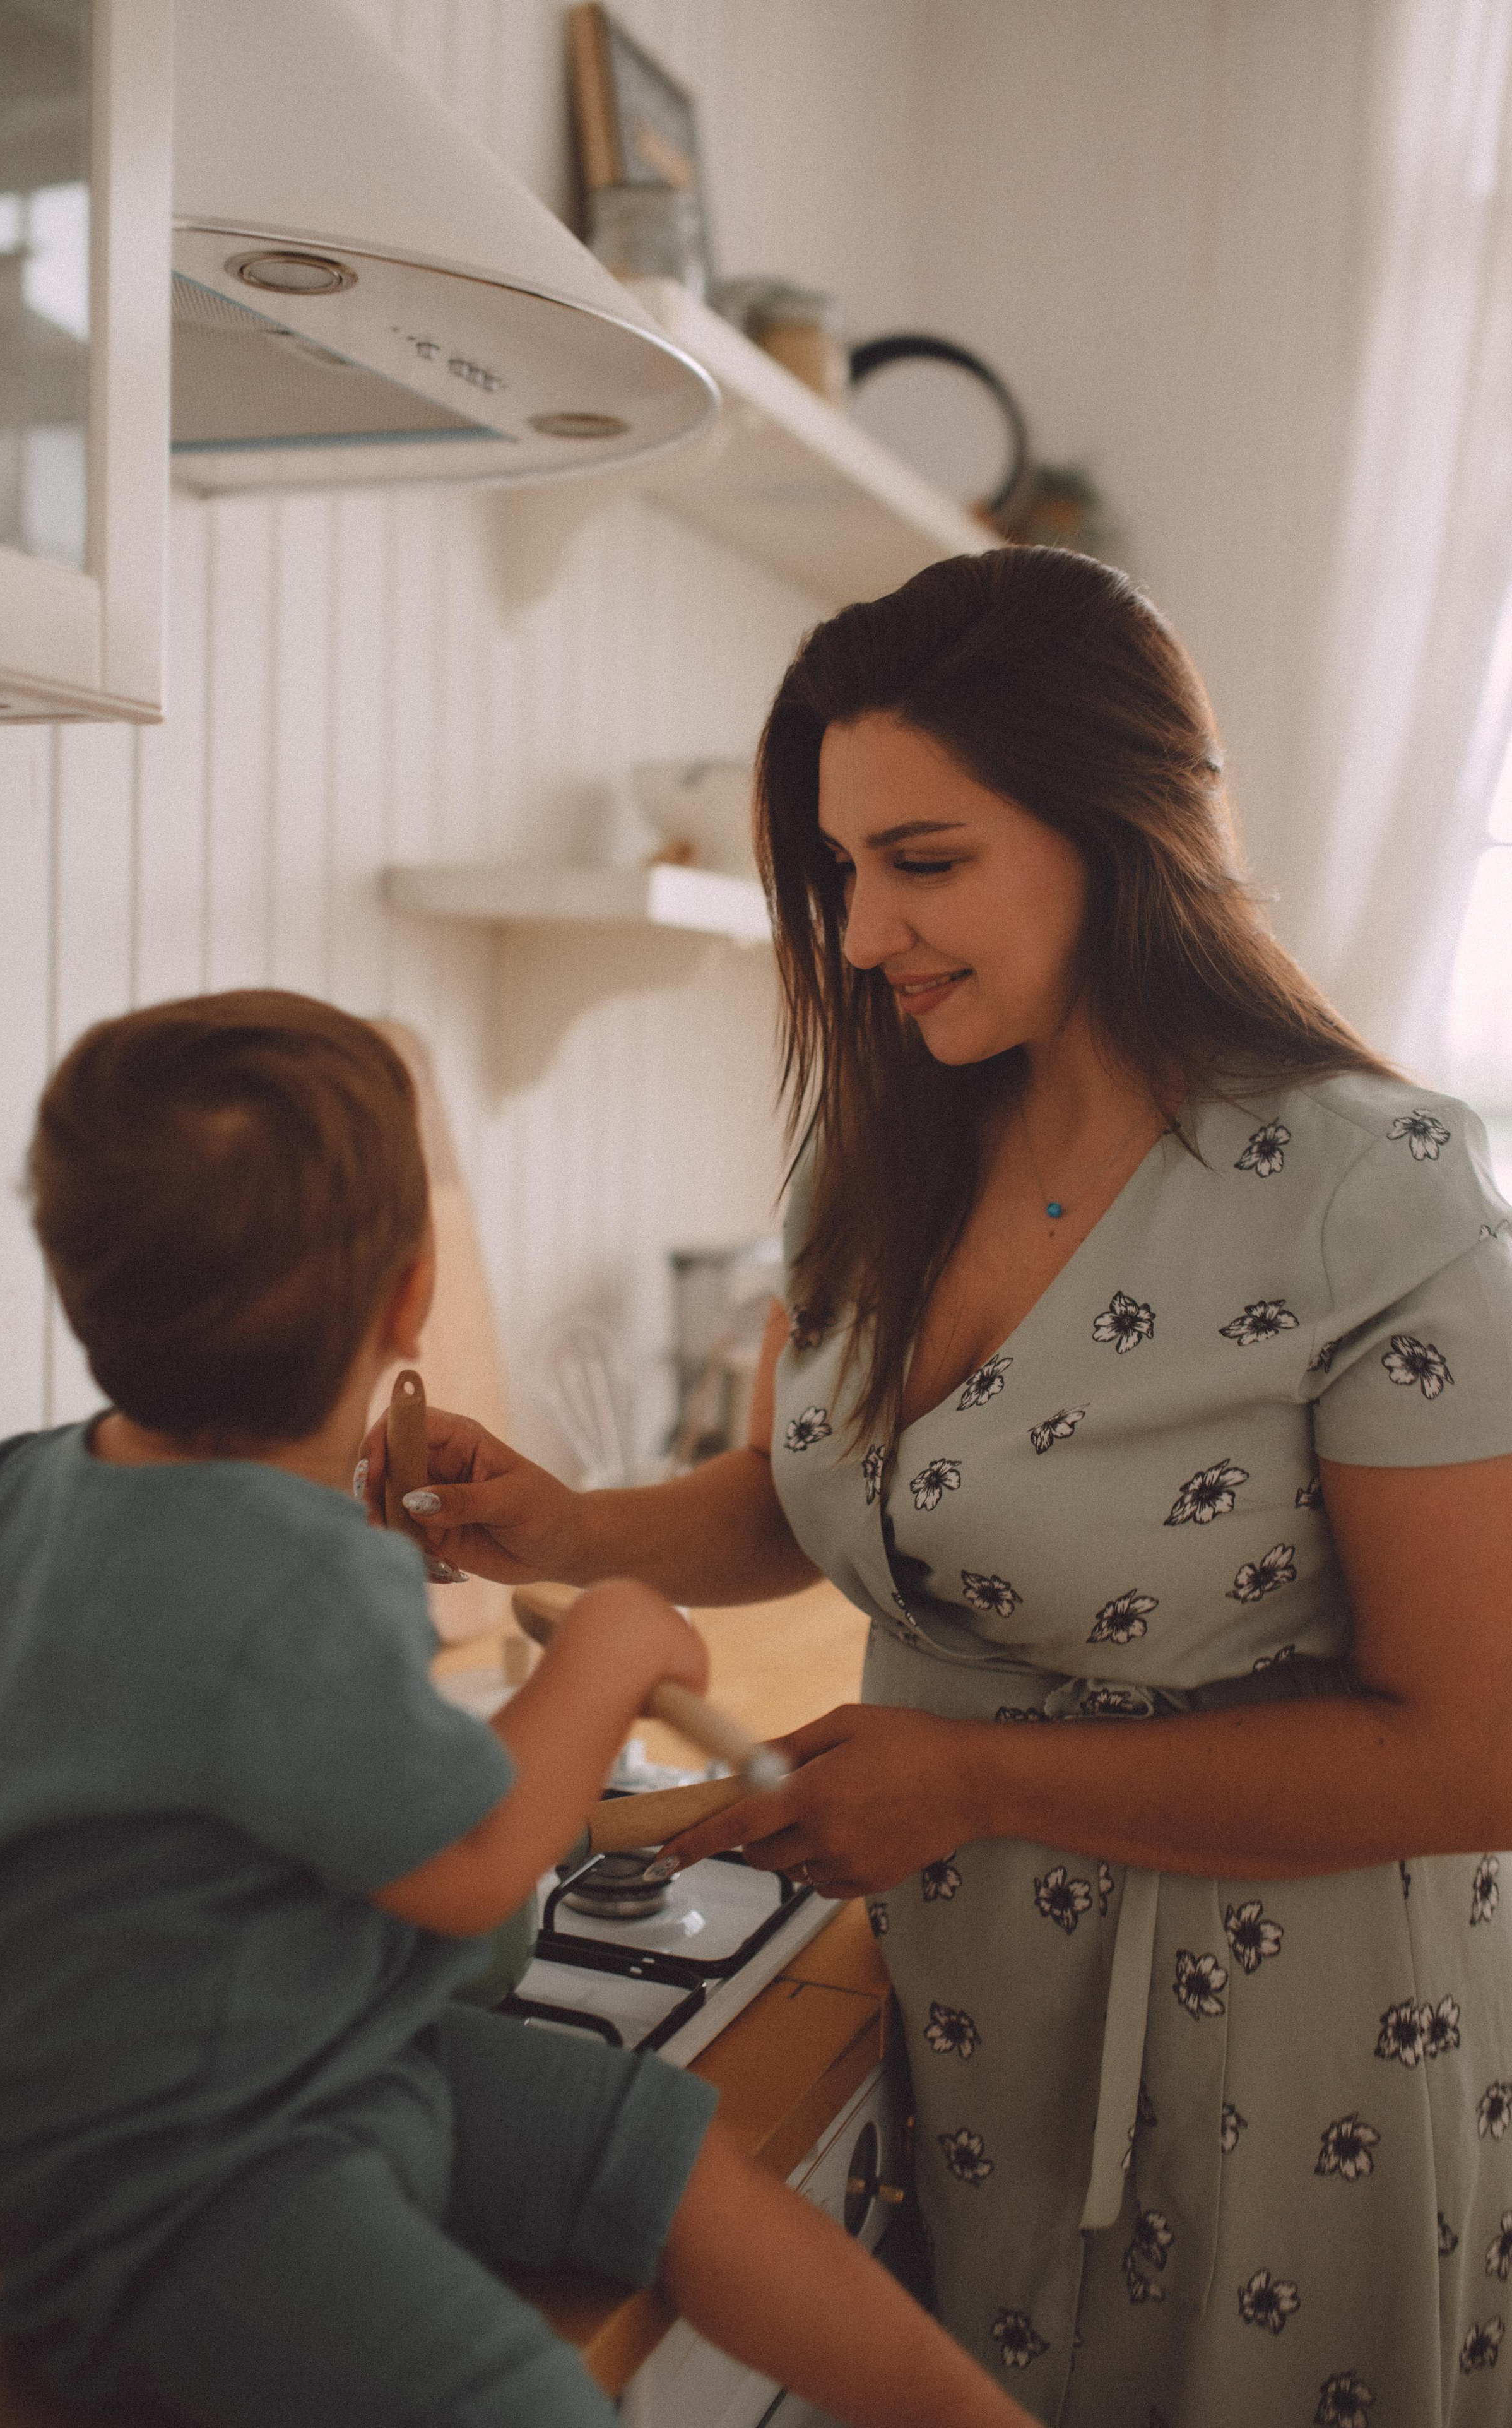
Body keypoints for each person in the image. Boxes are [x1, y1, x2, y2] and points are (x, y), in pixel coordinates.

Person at [368, 550, 1512, 2428]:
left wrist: (972, 1777)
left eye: (924, 861)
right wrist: (565, 1530)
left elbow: (1480, 1750)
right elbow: (833, 1492)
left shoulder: (1365, 1191)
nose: (862, 929)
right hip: (978, 2013)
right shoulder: (891, 1139)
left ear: (1120, 828)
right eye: (839, 868)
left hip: (1283, 2064)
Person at [0, 989, 1027, 2428]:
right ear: (409, 1297)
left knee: (652, 2155)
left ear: (72, 1275)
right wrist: (606, 1646)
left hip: (329, 2052)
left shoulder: (1, 1497)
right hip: (185, 2195)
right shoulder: (298, 1573)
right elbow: (477, 1864)